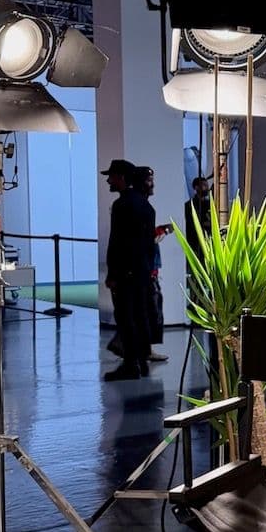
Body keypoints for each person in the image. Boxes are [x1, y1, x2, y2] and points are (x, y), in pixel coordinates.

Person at [103, 159, 155, 381]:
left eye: (112, 177)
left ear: (122, 178)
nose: (108, 181)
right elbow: (147, 244)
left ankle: (131, 364)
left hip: (126, 273)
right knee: (140, 316)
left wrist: (113, 274)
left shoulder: (122, 205)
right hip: (142, 271)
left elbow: (118, 243)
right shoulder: (146, 205)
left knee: (126, 318)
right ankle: (141, 361)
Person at [136, 165, 169, 363]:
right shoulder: (143, 207)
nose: (152, 184)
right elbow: (144, 240)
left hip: (147, 270)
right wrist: (159, 234)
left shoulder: (143, 206)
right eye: (149, 181)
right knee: (148, 311)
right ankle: (142, 350)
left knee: (149, 310)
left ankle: (141, 349)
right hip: (145, 271)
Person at [184, 176, 213, 261]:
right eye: (204, 185)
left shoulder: (210, 204)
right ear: (196, 187)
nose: (207, 188)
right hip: (195, 244)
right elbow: (191, 224)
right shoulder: (189, 205)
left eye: (207, 185)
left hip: (210, 242)